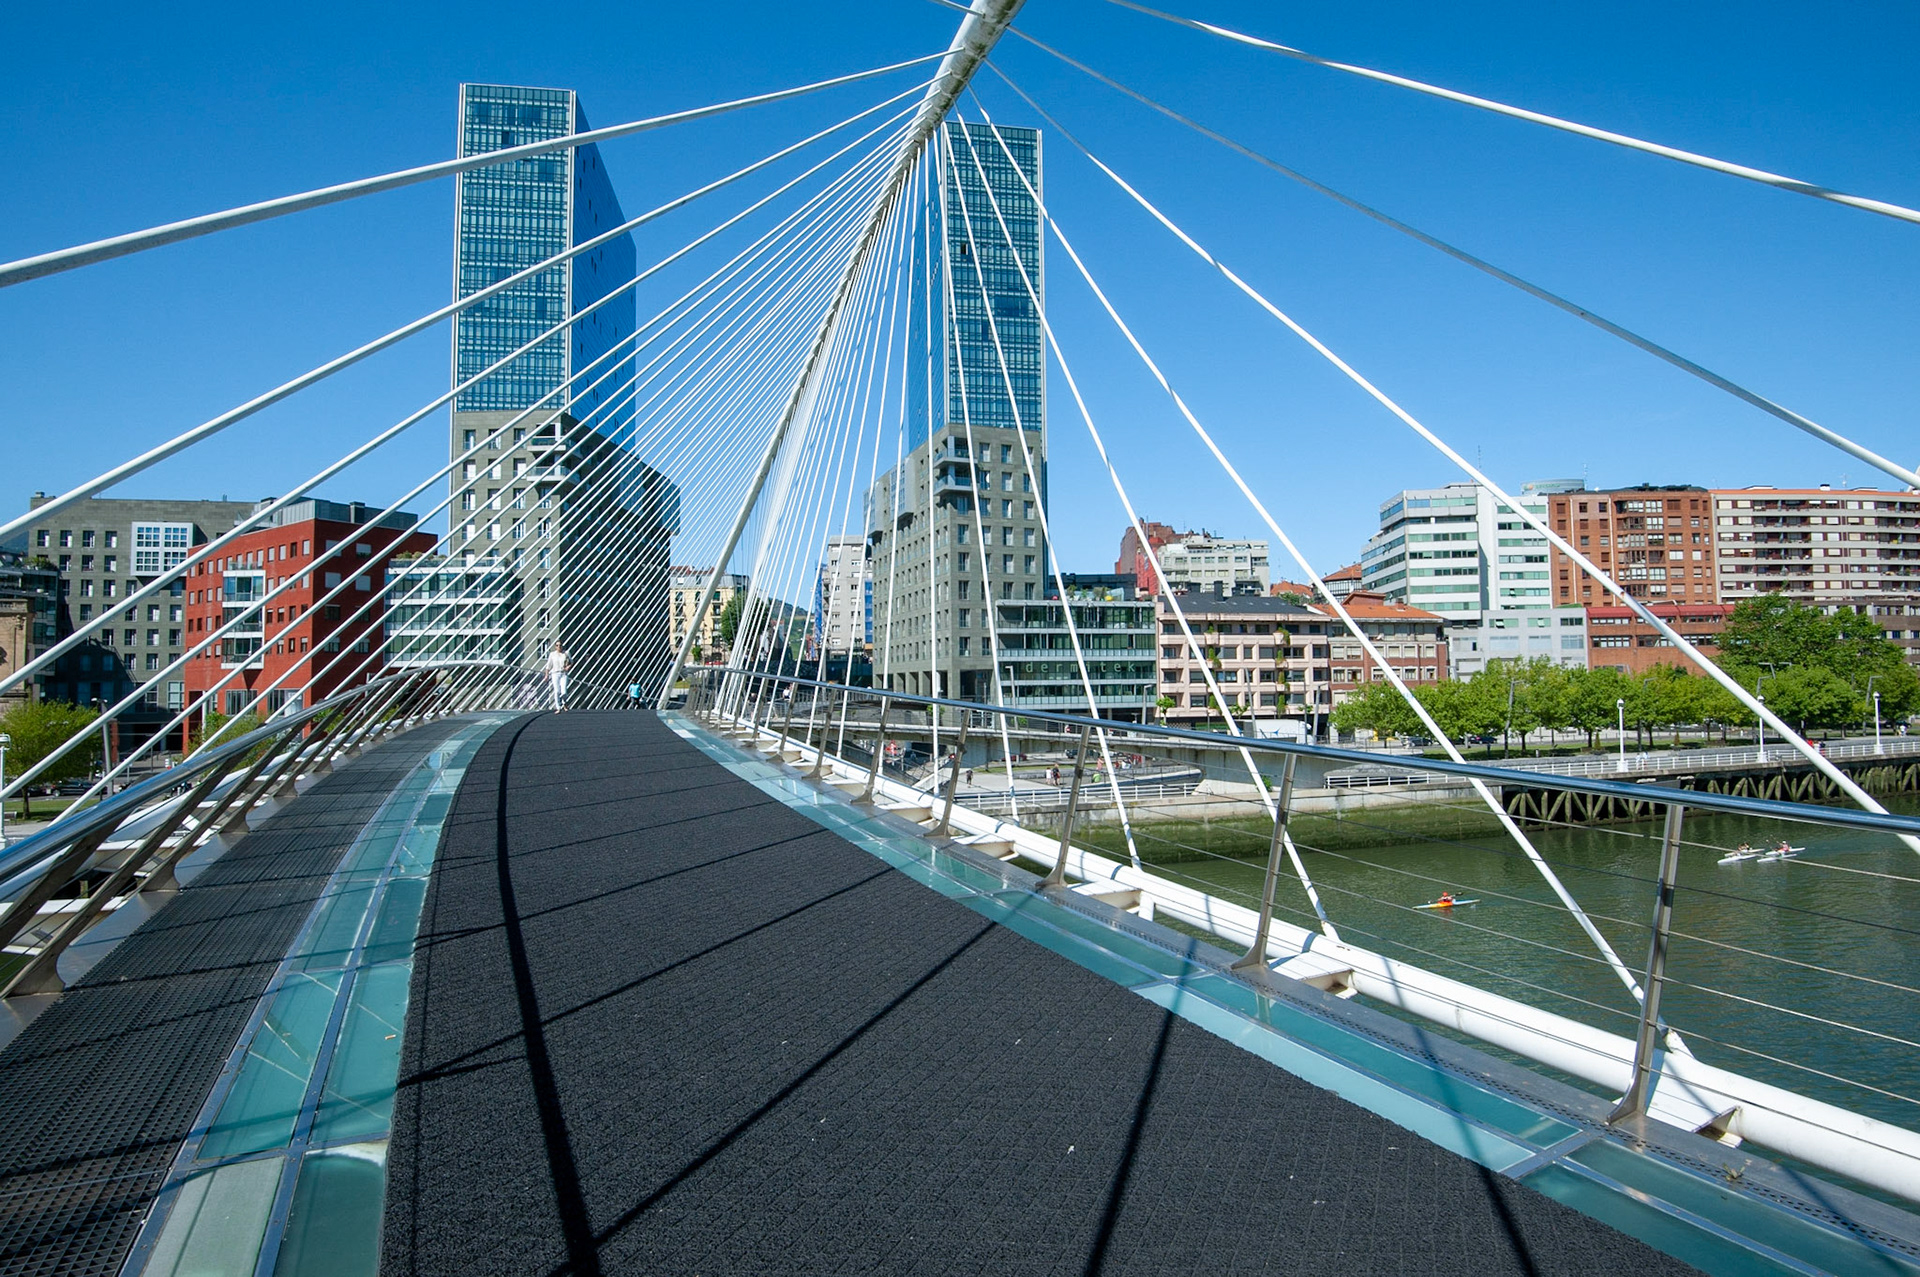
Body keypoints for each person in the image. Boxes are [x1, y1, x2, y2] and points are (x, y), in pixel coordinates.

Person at [547, 642, 569, 712]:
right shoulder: (552, 654)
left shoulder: (566, 653)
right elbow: (548, 665)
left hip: (563, 674)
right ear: (555, 647)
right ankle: (558, 708)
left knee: (564, 692)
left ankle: (564, 703)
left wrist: (568, 667)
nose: (559, 646)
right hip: (555, 673)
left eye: (560, 645)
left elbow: (571, 662)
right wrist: (546, 675)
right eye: (557, 645)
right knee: (557, 691)